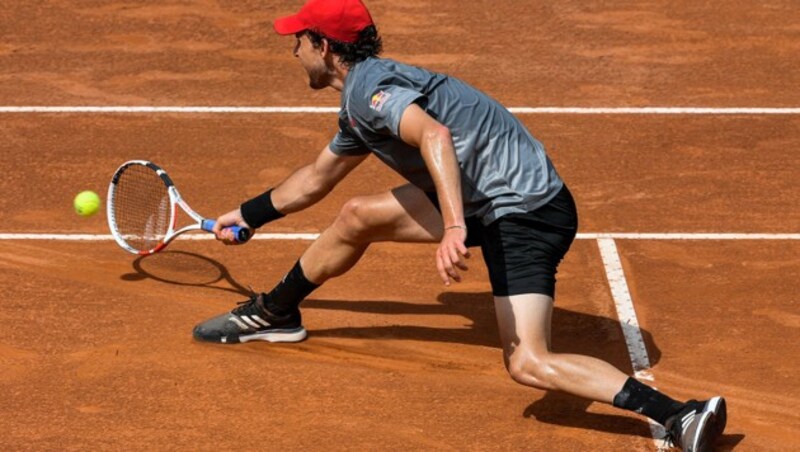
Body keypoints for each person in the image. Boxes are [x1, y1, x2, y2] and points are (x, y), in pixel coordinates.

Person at [192, 0, 727, 450]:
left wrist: (452, 228)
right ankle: (275, 312)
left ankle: (680, 415)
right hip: (486, 198)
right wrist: (251, 214)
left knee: (528, 363)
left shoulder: (370, 91)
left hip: (521, 211)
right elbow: (314, 179)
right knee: (357, 216)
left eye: (299, 40)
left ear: (325, 46)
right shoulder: (360, 104)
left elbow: (435, 137)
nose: (294, 50)